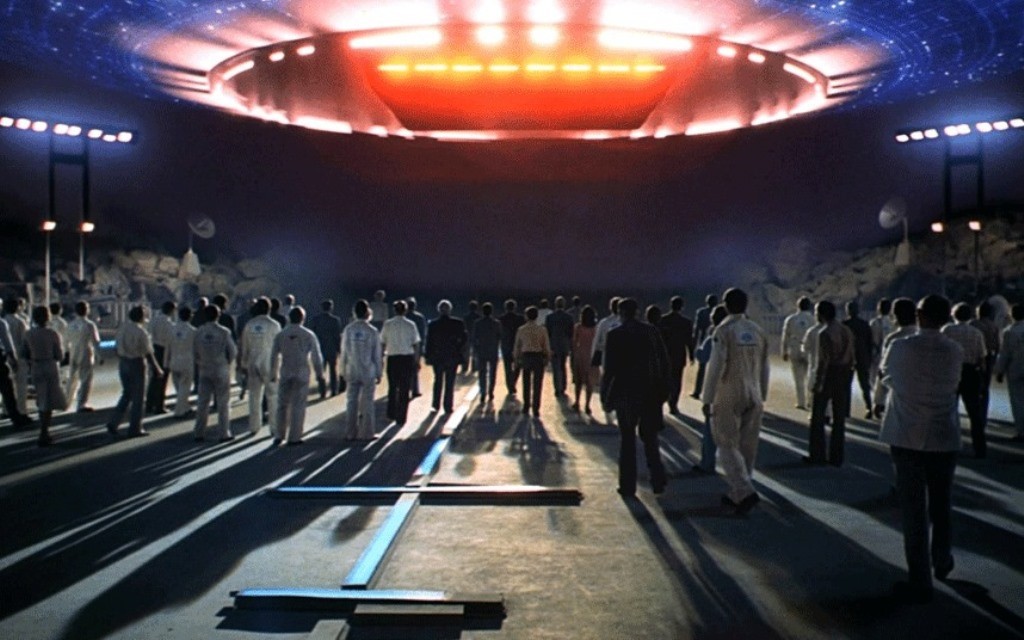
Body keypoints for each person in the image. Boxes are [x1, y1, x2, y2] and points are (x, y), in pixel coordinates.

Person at [879, 294, 963, 604]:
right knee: (942, 502)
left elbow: (886, 376)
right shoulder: (954, 350)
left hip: (907, 434)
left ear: (919, 314)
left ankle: (920, 578)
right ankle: (943, 558)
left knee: (914, 510)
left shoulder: (900, 346)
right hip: (944, 434)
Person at [701, 289, 769, 513]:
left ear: (726, 305)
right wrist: (763, 393)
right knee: (748, 445)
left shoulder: (724, 330)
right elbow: (765, 366)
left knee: (726, 442)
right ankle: (739, 493)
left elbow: (716, 366)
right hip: (754, 391)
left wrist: (708, 398)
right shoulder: (757, 331)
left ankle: (744, 490)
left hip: (729, 392)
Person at [602, 297, 671, 497]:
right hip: (650, 392)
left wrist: (606, 397)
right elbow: (663, 361)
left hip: (625, 393)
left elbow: (610, 370)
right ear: (637, 312)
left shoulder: (614, 334)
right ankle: (657, 479)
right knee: (650, 438)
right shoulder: (651, 331)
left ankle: (627, 486)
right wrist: (664, 390)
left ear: (620, 313)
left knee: (627, 440)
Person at [805, 300, 855, 467]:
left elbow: (823, 361)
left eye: (817, 312)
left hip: (829, 375)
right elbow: (851, 355)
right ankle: (836, 456)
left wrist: (817, 383)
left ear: (822, 314)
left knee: (818, 416)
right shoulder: (846, 330)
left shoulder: (824, 333)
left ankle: (817, 454)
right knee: (839, 418)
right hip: (844, 374)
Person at [106, 305, 163, 438]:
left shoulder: (122, 329)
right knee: (138, 398)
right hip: (137, 362)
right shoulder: (141, 332)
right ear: (142, 317)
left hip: (123, 363)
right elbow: (148, 352)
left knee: (126, 394)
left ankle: (114, 422)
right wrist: (157, 368)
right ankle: (135, 428)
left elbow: (115, 348)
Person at [272, 306, 325, 445]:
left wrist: (273, 373)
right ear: (303, 318)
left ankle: (279, 435)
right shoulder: (308, 334)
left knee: (282, 405)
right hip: (301, 371)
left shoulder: (281, 334)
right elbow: (316, 356)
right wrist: (319, 374)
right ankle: (294, 437)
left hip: (285, 370)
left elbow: (273, 355)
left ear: (289, 318)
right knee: (298, 405)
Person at [941, 302, 988, 457]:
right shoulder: (976, 333)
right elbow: (982, 357)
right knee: (974, 412)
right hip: (971, 372)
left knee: (949, 410)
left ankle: (947, 444)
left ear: (953, 314)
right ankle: (980, 446)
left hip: (951, 371)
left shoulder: (947, 330)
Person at [692, 304, 729, 474]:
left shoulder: (714, 335)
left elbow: (702, 357)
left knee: (710, 429)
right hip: (737, 387)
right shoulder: (739, 332)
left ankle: (707, 463)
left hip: (717, 389)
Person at [193, 304, 237, 442]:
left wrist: (200, 362)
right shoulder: (224, 331)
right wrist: (227, 362)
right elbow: (233, 351)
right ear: (218, 315)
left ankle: (199, 432)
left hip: (204, 368)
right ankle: (224, 433)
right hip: (220, 368)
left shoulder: (199, 332)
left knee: (202, 402)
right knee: (223, 402)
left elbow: (194, 352)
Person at [22, 306, 66, 446]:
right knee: (50, 399)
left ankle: (43, 430)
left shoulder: (28, 334)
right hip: (50, 365)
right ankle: (44, 431)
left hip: (36, 365)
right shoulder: (53, 334)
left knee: (41, 398)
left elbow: (24, 353)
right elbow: (59, 355)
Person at [238, 298, 281, 436]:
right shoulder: (274, 325)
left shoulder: (249, 324)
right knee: (273, 396)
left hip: (253, 360)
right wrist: (278, 366)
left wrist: (243, 364)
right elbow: (278, 347)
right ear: (269, 309)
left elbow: (244, 346)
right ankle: (274, 428)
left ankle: (254, 426)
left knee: (254, 395)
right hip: (269, 361)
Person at [341, 300, 383, 438]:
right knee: (368, 402)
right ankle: (367, 433)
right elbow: (377, 354)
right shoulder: (372, 331)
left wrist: (342, 370)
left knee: (351, 401)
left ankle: (350, 433)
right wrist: (379, 372)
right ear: (367, 312)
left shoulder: (348, 329)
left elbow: (344, 352)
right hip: (368, 370)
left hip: (352, 369)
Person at [871, 298, 917, 418]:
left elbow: (884, 371)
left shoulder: (893, 339)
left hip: (899, 395)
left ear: (895, 315)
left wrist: (878, 400)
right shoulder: (924, 337)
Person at [424, 299, 467, 413]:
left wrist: (427, 356)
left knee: (438, 380)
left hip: (437, 356)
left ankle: (435, 404)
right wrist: (458, 349)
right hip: (452, 356)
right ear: (450, 310)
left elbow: (429, 342)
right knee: (450, 382)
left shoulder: (433, 324)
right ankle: (448, 406)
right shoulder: (458, 323)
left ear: (439, 310)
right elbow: (464, 339)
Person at [380, 299, 419, 427]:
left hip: (392, 358)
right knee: (404, 388)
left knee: (392, 387)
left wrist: (381, 358)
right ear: (405, 310)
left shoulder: (387, 324)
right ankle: (401, 417)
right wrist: (417, 360)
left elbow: (382, 342)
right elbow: (416, 344)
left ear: (394, 310)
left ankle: (391, 413)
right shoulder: (411, 325)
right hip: (407, 358)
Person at [658, 295, 695, 415]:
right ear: (682, 307)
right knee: (677, 380)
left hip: (665, 354)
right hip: (679, 354)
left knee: (665, 379)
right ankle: (673, 404)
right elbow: (689, 340)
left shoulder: (663, 320)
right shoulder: (686, 322)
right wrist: (691, 354)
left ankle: (663, 400)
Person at [514, 306, 551, 417]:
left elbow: (517, 346)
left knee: (526, 382)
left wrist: (516, 359)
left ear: (526, 316)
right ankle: (536, 407)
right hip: (538, 356)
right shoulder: (542, 329)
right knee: (537, 383)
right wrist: (547, 358)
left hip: (526, 356)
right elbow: (546, 346)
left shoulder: (521, 329)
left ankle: (526, 406)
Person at [994, 303, 1024, 442]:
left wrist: (1000, 371)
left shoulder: (1009, 331)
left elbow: (1005, 354)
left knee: (1018, 401)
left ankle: (1021, 430)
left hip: (1016, 369)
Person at [0, 302, 32, 428]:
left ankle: (5, 410)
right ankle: (19, 414)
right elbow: (9, 343)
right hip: (11, 358)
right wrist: (13, 359)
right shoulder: (6, 323)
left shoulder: (5, 321)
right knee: (12, 388)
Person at [65, 300, 101, 413]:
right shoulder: (90, 325)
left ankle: (66, 402)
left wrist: (66, 352)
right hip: (86, 353)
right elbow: (95, 342)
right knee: (85, 379)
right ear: (87, 311)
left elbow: (66, 341)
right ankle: (81, 403)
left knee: (72, 378)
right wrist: (99, 356)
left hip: (73, 352)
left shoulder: (71, 325)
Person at [971, 301, 1001, 433]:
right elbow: (997, 345)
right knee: (985, 389)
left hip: (974, 359)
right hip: (988, 358)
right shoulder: (994, 326)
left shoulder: (973, 324)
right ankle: (982, 417)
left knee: (972, 389)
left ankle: (974, 415)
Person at [781, 297, 815, 410]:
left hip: (795, 347)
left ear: (798, 306)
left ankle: (801, 402)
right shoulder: (813, 319)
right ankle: (811, 400)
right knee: (810, 376)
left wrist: (784, 351)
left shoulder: (791, 319)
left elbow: (785, 336)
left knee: (798, 377)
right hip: (809, 349)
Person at [164, 307, 197, 418]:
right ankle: (179, 411)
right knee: (185, 388)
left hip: (174, 361)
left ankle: (185, 407)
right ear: (190, 316)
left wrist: (165, 363)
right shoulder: (193, 331)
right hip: (187, 362)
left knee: (179, 388)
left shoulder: (172, 330)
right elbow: (196, 349)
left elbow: (167, 348)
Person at [844, 301, 874, 419]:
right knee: (865, 385)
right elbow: (870, 343)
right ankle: (869, 407)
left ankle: (846, 410)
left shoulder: (844, 325)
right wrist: (869, 358)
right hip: (862, 357)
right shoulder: (865, 324)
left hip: (847, 358)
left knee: (846, 385)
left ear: (848, 311)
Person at [307, 299, 343, 398]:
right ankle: (333, 390)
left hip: (320, 348)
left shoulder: (316, 320)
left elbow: (313, 334)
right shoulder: (335, 320)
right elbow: (337, 336)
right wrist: (339, 349)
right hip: (332, 348)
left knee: (320, 371)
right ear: (331, 308)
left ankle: (322, 391)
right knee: (333, 370)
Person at [146, 300, 176, 414]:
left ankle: (149, 404)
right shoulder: (169, 324)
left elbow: (149, 333)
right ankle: (159, 405)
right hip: (164, 350)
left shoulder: (154, 320)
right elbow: (171, 340)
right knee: (163, 378)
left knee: (153, 378)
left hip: (154, 348)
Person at [571, 305, 601, 414]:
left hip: (580, 355)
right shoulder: (595, 328)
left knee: (578, 381)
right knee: (590, 382)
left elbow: (574, 342)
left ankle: (577, 401)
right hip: (591, 356)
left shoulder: (578, 327)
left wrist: (574, 354)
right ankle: (587, 404)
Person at [545, 296, 575, 397]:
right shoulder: (569, 317)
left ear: (555, 305)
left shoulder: (550, 317)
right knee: (563, 366)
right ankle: (563, 386)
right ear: (564, 305)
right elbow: (571, 333)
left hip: (553, 344)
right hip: (564, 344)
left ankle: (557, 388)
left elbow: (547, 332)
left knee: (555, 368)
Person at [471, 302, 501, 402]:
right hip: (493, 350)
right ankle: (491, 391)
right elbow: (499, 337)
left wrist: (475, 351)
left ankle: (483, 392)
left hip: (481, 351)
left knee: (482, 373)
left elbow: (474, 338)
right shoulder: (496, 323)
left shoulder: (477, 323)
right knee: (493, 373)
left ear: (482, 311)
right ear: (491, 311)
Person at [690, 294, 718, 398]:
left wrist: (694, 344)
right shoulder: (720, 311)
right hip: (717, 341)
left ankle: (698, 391)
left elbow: (697, 329)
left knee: (702, 368)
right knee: (715, 367)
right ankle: (712, 392)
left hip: (705, 341)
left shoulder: (702, 312)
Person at [499, 299, 525, 396]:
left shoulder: (501, 319)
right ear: (514, 307)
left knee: (507, 367)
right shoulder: (520, 319)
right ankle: (513, 381)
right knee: (518, 365)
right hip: (517, 345)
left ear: (505, 308)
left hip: (505, 345)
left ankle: (510, 385)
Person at [869, 298, 894, 390]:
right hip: (890, 354)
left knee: (875, 381)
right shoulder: (893, 323)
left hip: (876, 355)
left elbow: (872, 340)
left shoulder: (874, 322)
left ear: (878, 309)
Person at [406, 297, 428, 398]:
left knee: (404, 368)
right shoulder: (420, 317)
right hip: (416, 345)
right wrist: (422, 345)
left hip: (405, 345)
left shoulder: (404, 317)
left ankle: (404, 387)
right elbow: (423, 333)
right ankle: (415, 389)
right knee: (415, 367)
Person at [590, 297, 621, 369]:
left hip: (607, 356)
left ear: (610, 308)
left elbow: (596, 341)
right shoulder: (626, 323)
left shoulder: (604, 323)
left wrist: (593, 356)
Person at [463, 300, 481, 374]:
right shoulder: (478, 317)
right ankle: (474, 368)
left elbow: (464, 327)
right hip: (476, 336)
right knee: (475, 353)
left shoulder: (466, 317)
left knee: (466, 353)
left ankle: (465, 367)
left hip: (467, 336)